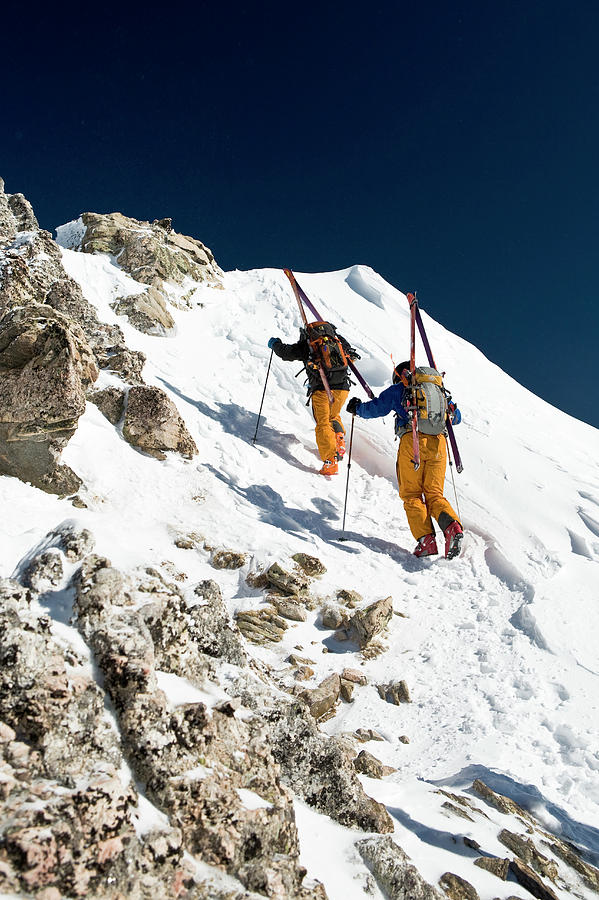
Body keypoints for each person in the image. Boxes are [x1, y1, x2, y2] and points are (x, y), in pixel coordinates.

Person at [346, 362, 463, 559]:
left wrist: (357, 409)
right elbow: (456, 417)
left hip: (413, 441)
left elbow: (377, 408)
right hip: (439, 444)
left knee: (412, 495)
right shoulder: (439, 392)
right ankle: (452, 527)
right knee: (434, 494)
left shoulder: (400, 389)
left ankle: (426, 541)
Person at [267, 325, 358, 475]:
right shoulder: (337, 340)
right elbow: (350, 356)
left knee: (323, 423)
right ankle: (339, 440)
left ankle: (330, 461)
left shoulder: (308, 344)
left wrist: (275, 344)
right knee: (333, 416)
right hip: (342, 388)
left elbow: (286, 353)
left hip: (322, 388)